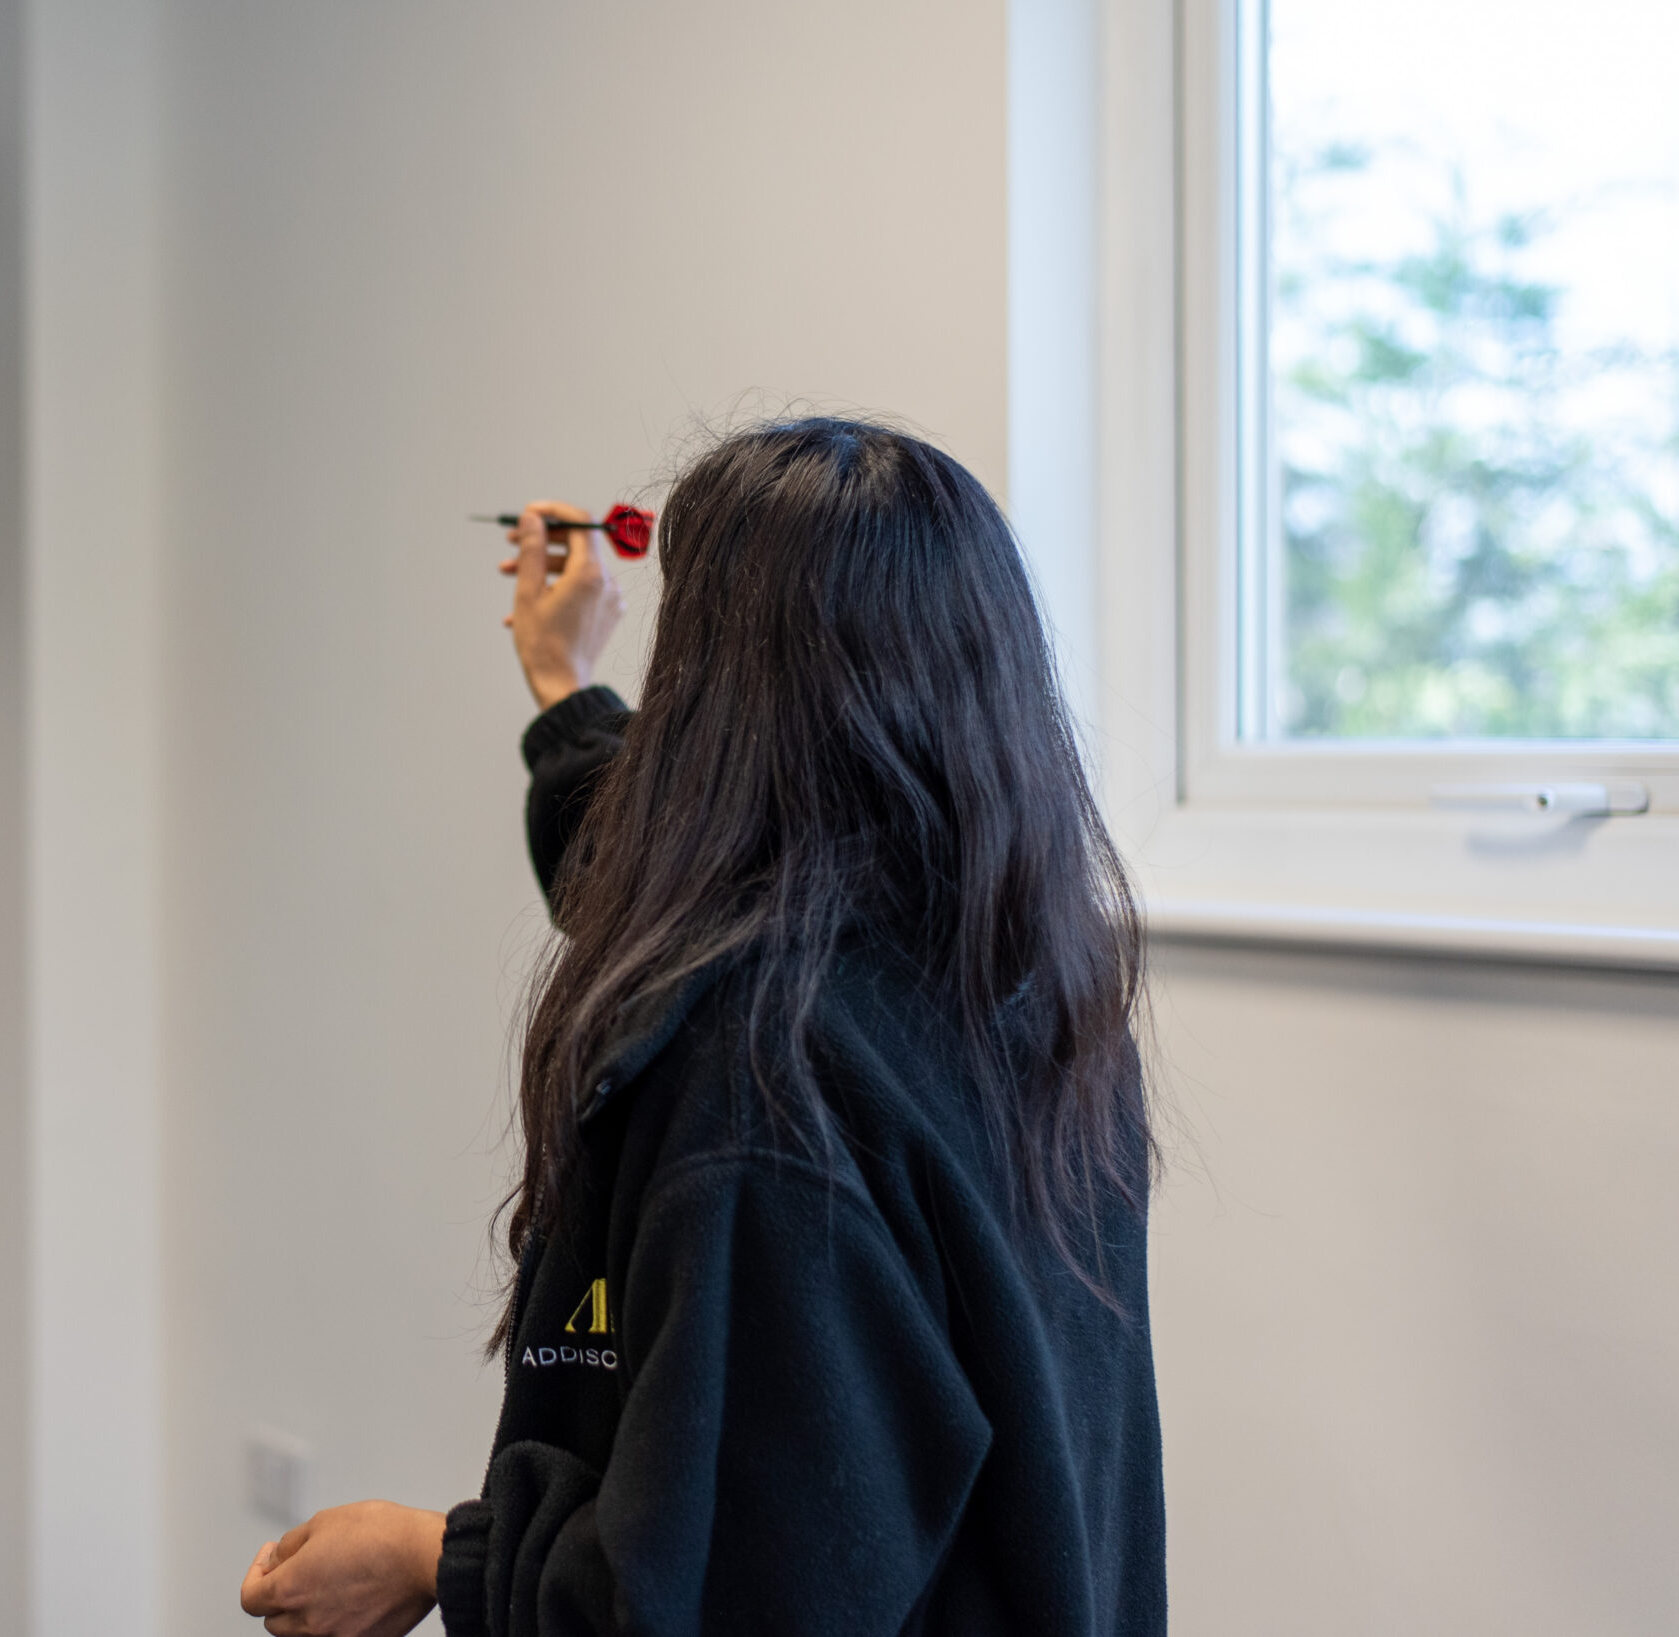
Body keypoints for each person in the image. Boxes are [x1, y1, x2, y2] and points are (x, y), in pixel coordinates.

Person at [239, 418, 1163, 1636]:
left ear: (718, 695)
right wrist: (564, 687)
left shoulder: (761, 1091)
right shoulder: (1023, 983)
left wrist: (430, 1554)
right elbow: (660, 876)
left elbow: (714, 1598)